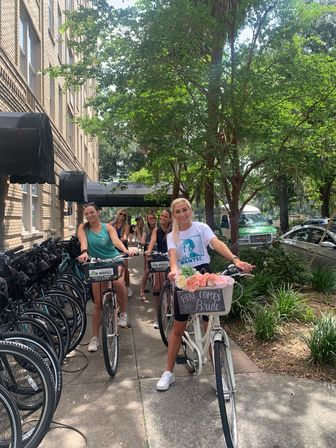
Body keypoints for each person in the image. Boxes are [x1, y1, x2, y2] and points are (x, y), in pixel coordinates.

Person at [156, 198, 254, 391]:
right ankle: (168, 372)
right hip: (184, 278)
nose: (182, 214)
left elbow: (215, 243)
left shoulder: (201, 228)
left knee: (211, 324)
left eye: (185, 210)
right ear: (174, 215)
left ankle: (219, 376)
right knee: (178, 327)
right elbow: (173, 257)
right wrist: (174, 270)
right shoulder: (172, 236)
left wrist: (235, 259)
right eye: (178, 211)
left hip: (204, 274)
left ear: (190, 210)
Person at [77, 203, 134, 353]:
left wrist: (125, 251)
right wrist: (84, 252)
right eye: (87, 213)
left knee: (118, 283)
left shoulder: (107, 227)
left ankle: (123, 313)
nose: (89, 215)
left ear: (98, 212)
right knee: (98, 304)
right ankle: (94, 338)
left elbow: (116, 241)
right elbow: (83, 242)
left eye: (92, 212)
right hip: (96, 263)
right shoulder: (83, 228)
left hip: (113, 259)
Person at [145, 209, 172, 328]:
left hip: (173, 259)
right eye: (161, 216)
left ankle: (172, 310)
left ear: (170, 218)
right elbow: (153, 241)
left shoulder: (174, 229)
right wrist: (149, 251)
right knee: (157, 288)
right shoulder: (157, 229)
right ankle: (157, 316)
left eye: (165, 216)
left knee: (174, 286)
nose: (162, 218)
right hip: (161, 259)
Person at [110, 209, 133, 297]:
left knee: (125, 268)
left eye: (124, 215)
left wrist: (120, 239)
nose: (122, 216)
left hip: (122, 249)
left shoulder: (126, 226)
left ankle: (127, 286)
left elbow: (124, 236)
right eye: (120, 214)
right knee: (112, 268)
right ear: (117, 214)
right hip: (111, 249)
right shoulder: (111, 224)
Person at [139, 212, 157, 301]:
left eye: (153, 218)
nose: (151, 220)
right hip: (148, 249)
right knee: (147, 271)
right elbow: (144, 236)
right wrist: (142, 240)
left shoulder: (159, 226)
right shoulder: (146, 227)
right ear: (147, 220)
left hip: (159, 249)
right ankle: (142, 291)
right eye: (150, 218)